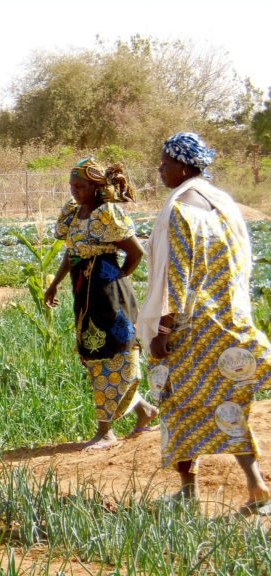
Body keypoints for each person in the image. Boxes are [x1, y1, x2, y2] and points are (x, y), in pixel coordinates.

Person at [140, 132, 271, 511]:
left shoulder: (180, 207)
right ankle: (256, 484)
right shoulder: (223, 202)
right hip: (228, 320)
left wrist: (164, 330)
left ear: (183, 166)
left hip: (192, 326)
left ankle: (187, 489)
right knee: (228, 404)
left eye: (165, 163)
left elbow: (179, 275)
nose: (161, 169)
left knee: (174, 400)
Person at [45, 158, 158, 450]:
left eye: (80, 187)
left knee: (114, 354)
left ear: (96, 188)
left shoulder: (107, 215)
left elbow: (136, 252)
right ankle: (144, 411)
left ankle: (105, 431)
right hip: (84, 293)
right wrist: (55, 282)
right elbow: (72, 253)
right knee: (93, 355)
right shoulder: (73, 213)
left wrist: (115, 278)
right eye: (72, 186)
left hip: (109, 294)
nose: (75, 192)